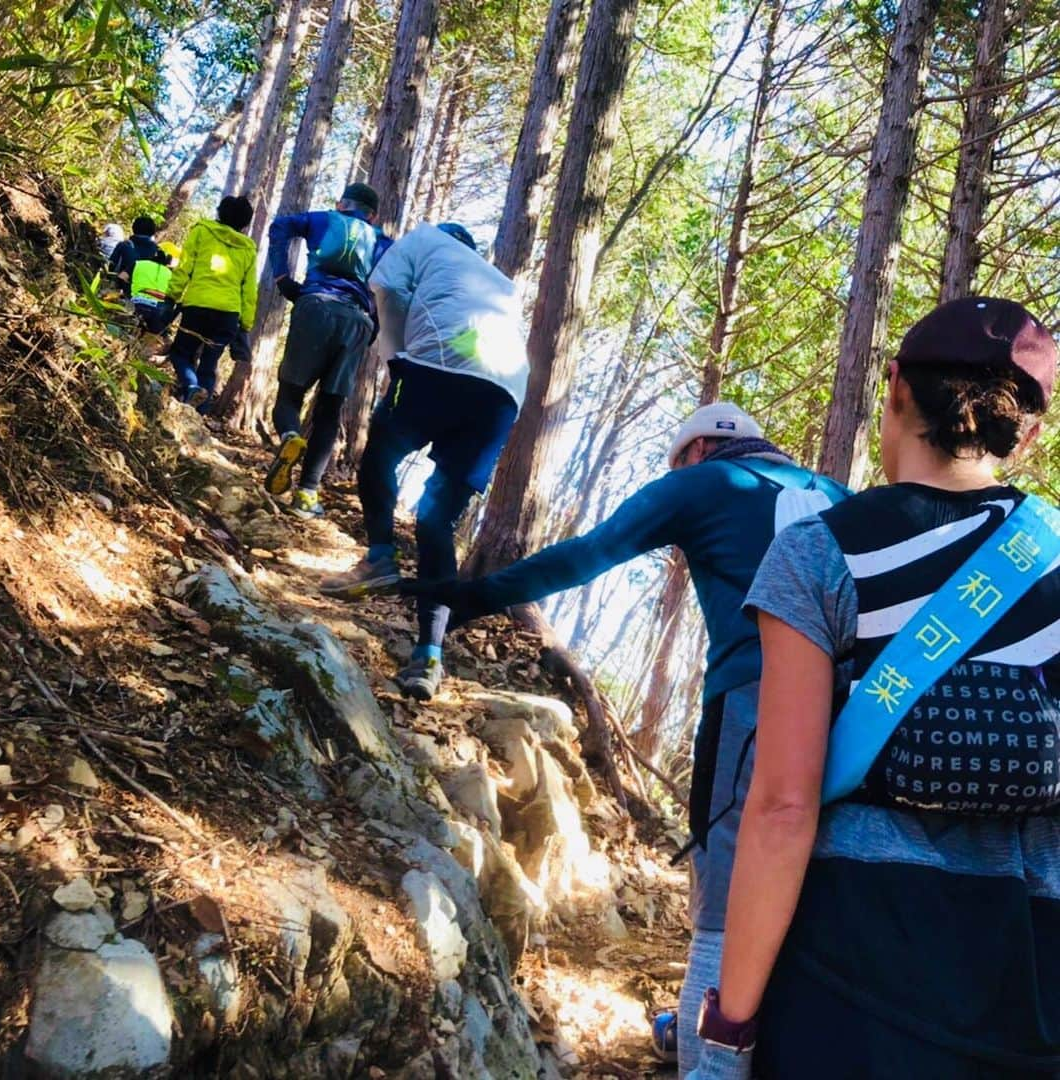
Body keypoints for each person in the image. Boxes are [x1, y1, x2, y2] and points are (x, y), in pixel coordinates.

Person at [403, 401, 849, 1059]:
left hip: (758, 702)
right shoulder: (836, 494)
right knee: (811, 881)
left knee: (725, 889)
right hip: (856, 711)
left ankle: (706, 1059)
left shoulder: (706, 481)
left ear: (697, 450)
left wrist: (476, 596)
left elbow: (593, 553)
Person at [693, 298, 1059, 1079]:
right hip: (1035, 979)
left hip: (852, 967)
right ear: (1023, 436)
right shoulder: (1053, 557)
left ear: (892, 388)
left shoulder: (818, 554)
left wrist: (731, 1026)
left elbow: (783, 808)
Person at [320, 221, 530, 701]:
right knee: (437, 521)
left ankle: (379, 558)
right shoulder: (499, 283)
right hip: (503, 396)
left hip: (439, 370)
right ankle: (429, 658)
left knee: (381, 452)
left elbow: (385, 286)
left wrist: (395, 360)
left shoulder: (425, 238)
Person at [262, 182, 391, 519]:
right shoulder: (381, 241)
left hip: (316, 306)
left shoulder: (323, 220)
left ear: (341, 204)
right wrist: (374, 326)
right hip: (357, 321)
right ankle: (306, 495)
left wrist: (281, 277)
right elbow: (391, 289)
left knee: (290, 396)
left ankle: (290, 436)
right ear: (373, 215)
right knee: (330, 411)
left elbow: (280, 226)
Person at [164, 196, 257, 410]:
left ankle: (190, 386)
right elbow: (249, 289)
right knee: (209, 363)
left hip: (198, 306)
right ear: (245, 224)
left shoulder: (202, 231)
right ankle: (199, 412)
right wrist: (246, 323)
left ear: (219, 212)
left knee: (180, 353)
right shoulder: (249, 249)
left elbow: (184, 267)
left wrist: (172, 296)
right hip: (228, 315)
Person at [108, 216, 170, 298]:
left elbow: (111, 266)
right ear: (153, 231)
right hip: (147, 295)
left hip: (123, 291)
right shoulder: (158, 251)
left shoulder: (124, 245)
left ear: (134, 228)